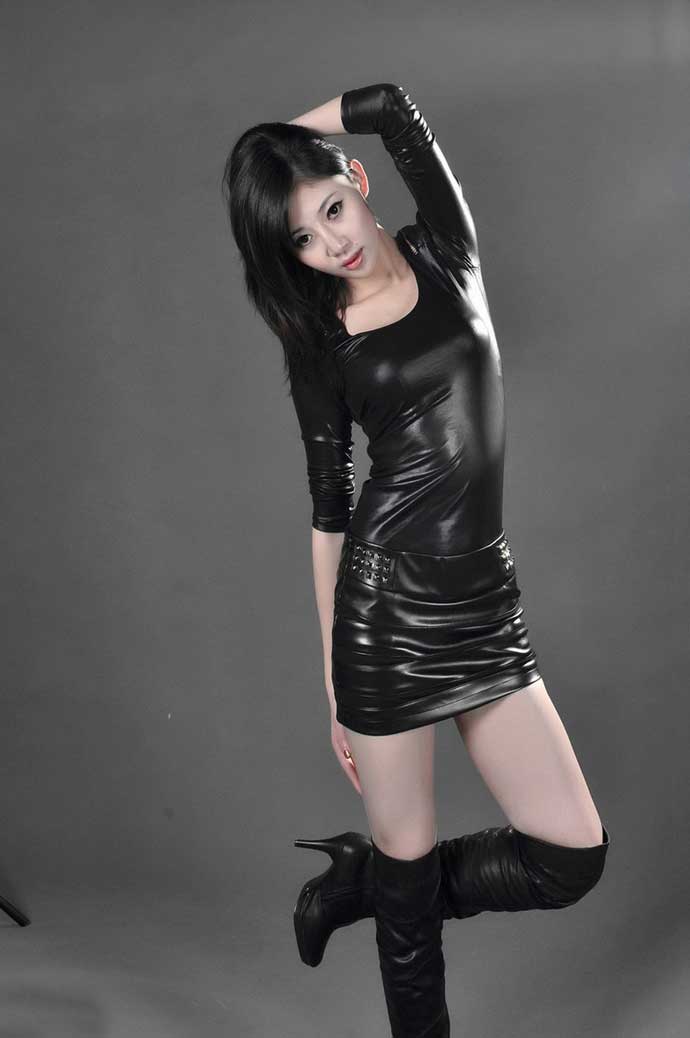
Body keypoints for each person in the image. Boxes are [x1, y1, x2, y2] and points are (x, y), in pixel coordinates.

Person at [222, 82, 610, 1038]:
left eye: (331, 210)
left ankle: (365, 884)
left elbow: (392, 107)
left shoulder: (447, 253)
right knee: (411, 894)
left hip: (484, 602)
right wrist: (334, 680)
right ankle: (391, 900)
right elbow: (330, 512)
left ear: (357, 181)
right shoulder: (319, 344)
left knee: (570, 855)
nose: (331, 244)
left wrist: (281, 140)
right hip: (384, 616)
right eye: (301, 239)